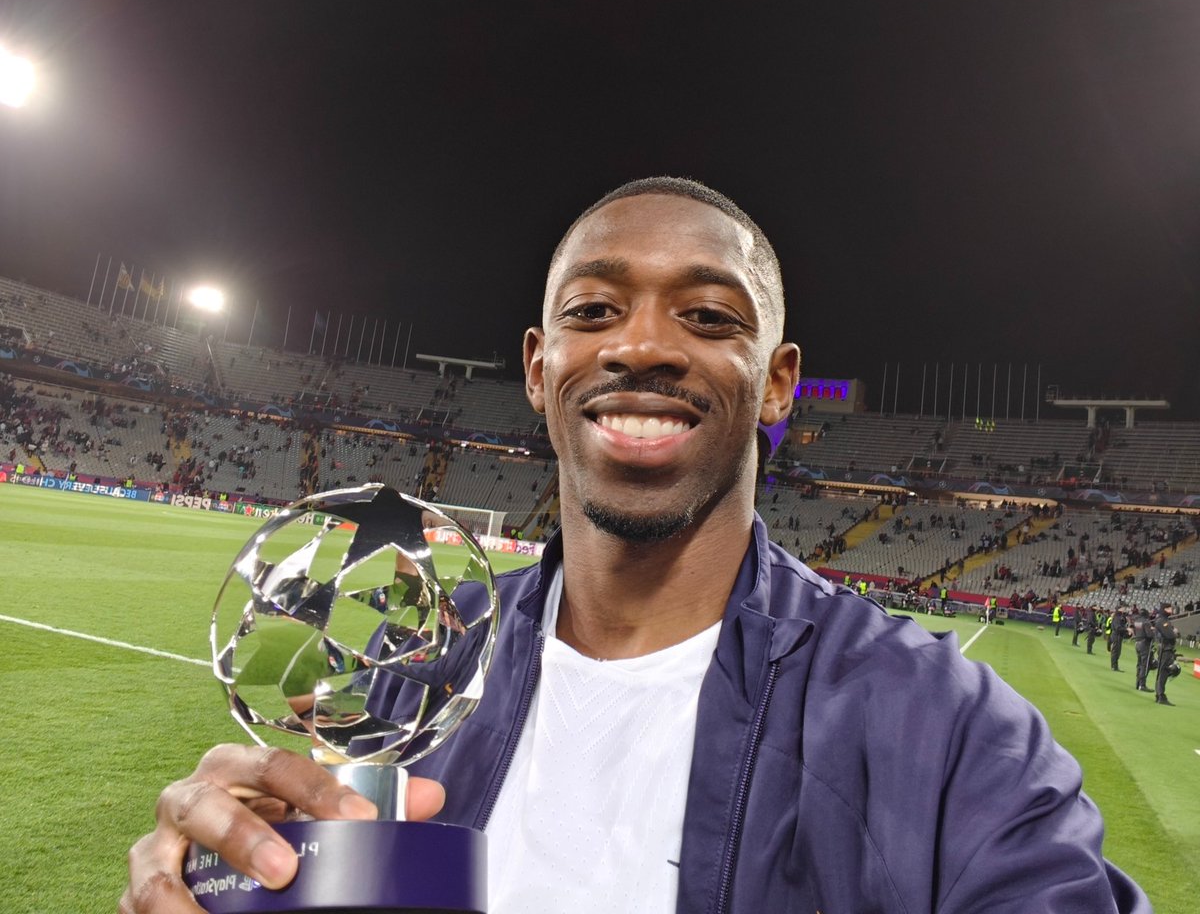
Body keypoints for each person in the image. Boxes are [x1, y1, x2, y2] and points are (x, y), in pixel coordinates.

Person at [121, 177, 1149, 914]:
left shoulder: (951, 730)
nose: (642, 346)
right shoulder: (410, 667)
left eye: (705, 315)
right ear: (539, 365)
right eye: (594, 310)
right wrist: (224, 872)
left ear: (779, 382)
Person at [1154, 602, 1178, 706]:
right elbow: (1170, 635)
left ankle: (1159, 694)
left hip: (1165, 648)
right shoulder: (1162, 621)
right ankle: (1161, 695)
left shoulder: (1163, 620)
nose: (1171, 610)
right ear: (1165, 609)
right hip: (1165, 648)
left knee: (1162, 671)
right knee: (1164, 672)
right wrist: (1175, 632)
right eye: (1169, 608)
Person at [1131, 606, 1154, 692]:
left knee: (1139, 664)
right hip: (1144, 644)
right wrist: (1153, 631)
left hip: (1137, 643)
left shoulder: (1137, 621)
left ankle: (1137, 683)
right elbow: (1149, 635)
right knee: (1145, 665)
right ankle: (1142, 685)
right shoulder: (1146, 622)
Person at [1109, 606, 1128, 672]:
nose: (1124, 609)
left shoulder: (1119, 616)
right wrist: (1126, 629)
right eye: (1123, 608)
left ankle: (1115, 666)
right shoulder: (1117, 617)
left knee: (1117, 652)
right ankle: (1114, 666)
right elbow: (1118, 628)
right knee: (1115, 651)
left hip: (1118, 636)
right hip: (1116, 635)